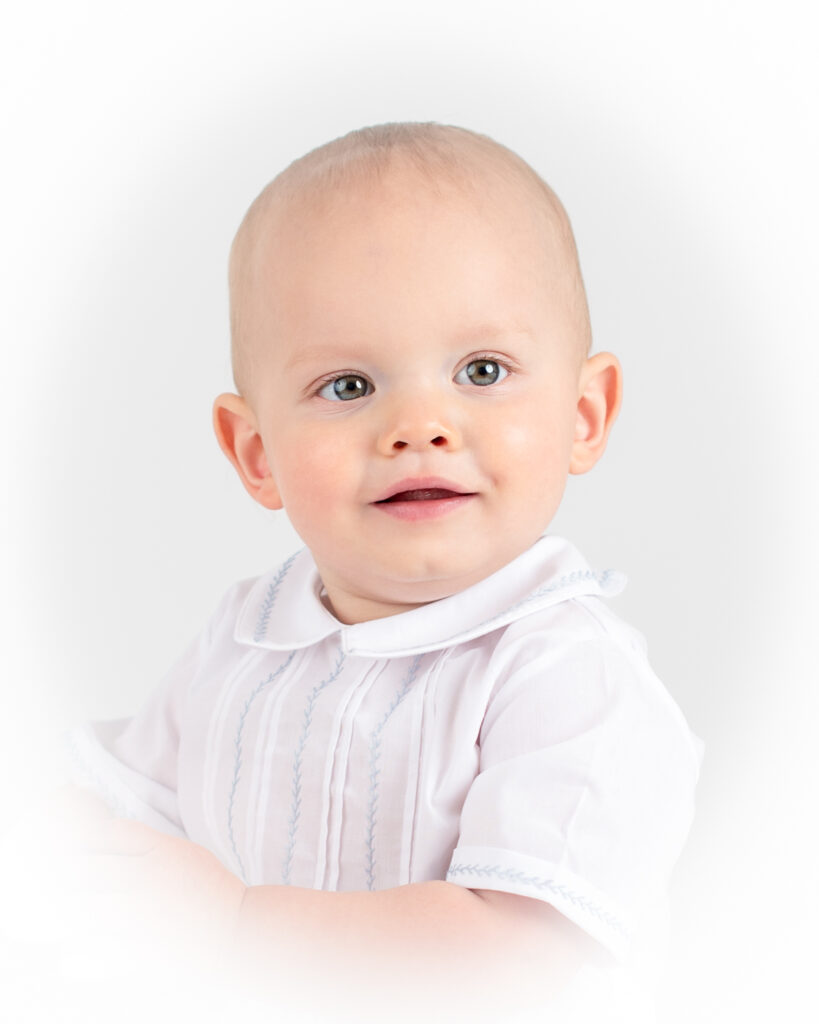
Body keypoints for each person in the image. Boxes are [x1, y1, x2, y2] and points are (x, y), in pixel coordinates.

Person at [57, 122, 699, 1020]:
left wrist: (236, 924)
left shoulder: (571, 678)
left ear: (585, 414)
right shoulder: (243, 640)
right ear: (256, 453)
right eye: (348, 386)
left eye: (482, 369)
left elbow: (514, 958)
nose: (421, 426)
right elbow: (124, 805)